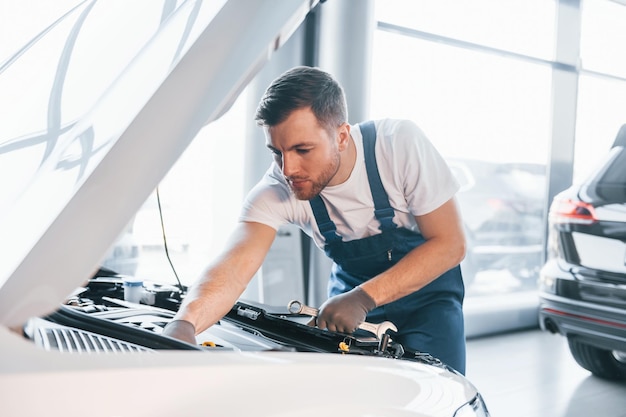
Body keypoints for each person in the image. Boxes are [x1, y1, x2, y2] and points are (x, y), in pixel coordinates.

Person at [163, 66, 467, 374]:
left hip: (427, 304)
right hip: (346, 311)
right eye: (277, 152)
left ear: (342, 136)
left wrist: (363, 297)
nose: (288, 169)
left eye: (302, 149)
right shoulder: (278, 189)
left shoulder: (397, 144)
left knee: (435, 393)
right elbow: (233, 268)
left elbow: (450, 244)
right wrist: (185, 324)